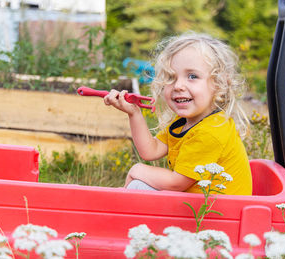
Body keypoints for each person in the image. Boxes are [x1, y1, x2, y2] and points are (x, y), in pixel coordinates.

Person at [103, 32, 252, 195]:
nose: (178, 85)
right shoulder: (184, 122)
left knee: (138, 185)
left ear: (218, 84)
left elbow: (177, 183)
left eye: (192, 76)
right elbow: (150, 151)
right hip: (198, 207)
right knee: (138, 185)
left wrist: (136, 169)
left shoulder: (211, 131)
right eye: (171, 77)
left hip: (217, 215)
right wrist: (134, 114)